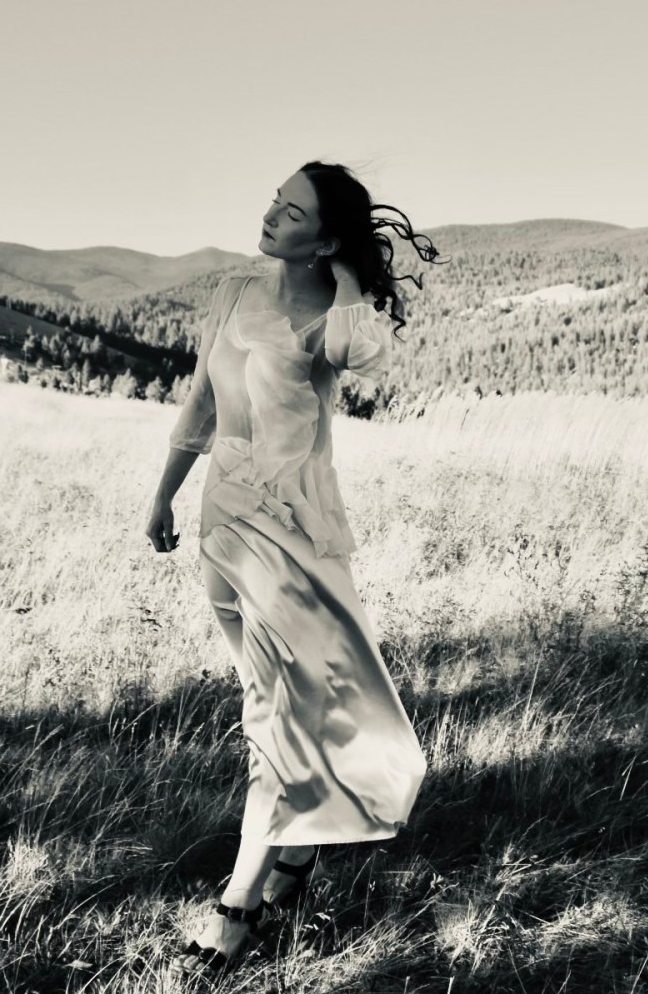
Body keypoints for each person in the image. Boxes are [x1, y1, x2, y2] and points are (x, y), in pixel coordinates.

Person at [145, 160, 445, 981]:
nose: (272, 215)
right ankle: (300, 852)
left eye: (293, 212)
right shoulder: (232, 293)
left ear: (326, 239)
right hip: (222, 524)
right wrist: (163, 496)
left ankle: (237, 905)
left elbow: (362, 353)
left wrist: (345, 276)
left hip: (293, 536)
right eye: (275, 202)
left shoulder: (334, 319)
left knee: (278, 720)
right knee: (266, 705)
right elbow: (201, 405)